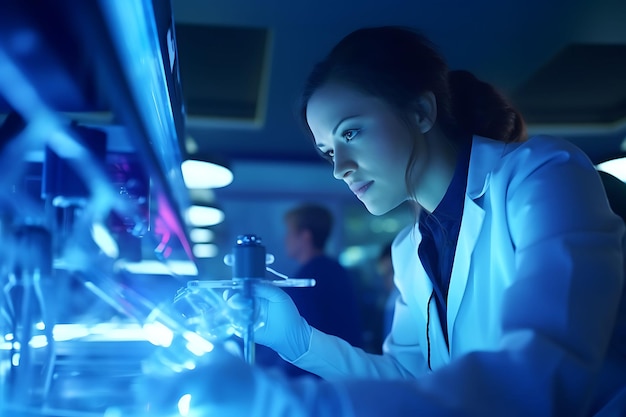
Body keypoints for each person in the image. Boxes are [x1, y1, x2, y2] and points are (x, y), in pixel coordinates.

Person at [140, 26, 626, 416]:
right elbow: (411, 378)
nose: (339, 166)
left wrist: (281, 405)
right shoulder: (409, 248)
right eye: (328, 149)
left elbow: (544, 374)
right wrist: (299, 340)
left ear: (420, 110)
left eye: (351, 131)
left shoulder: (543, 173)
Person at [255, 203, 363, 376]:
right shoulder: (335, 270)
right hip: (345, 370)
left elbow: (296, 339)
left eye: (289, 232)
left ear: (305, 236)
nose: (285, 239)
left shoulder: (306, 281)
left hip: (318, 377)